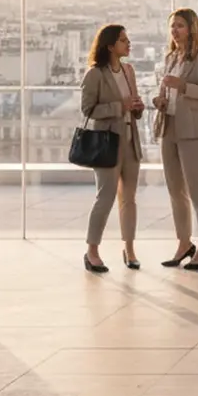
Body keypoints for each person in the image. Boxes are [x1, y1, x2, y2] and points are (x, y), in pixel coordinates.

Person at [152, 8, 198, 269]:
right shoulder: (170, 57)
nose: (175, 31)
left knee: (197, 190)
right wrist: (160, 100)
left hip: (192, 131)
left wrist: (183, 87)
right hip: (169, 128)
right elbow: (167, 91)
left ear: (191, 27)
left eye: (179, 25)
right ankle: (183, 242)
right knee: (175, 190)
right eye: (172, 26)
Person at [80, 24, 145, 273]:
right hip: (107, 144)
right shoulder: (95, 74)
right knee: (105, 198)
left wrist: (136, 108)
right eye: (123, 40)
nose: (128, 44)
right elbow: (88, 110)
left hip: (130, 141)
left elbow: (133, 106)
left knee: (129, 199)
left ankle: (129, 249)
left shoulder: (129, 71)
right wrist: (120, 106)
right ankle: (92, 251)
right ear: (110, 46)